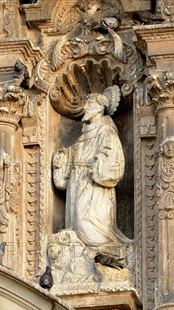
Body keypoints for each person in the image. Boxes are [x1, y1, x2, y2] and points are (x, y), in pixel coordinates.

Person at [52, 86, 131, 265]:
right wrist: (63, 159)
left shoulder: (106, 132)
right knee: (77, 224)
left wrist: (98, 167)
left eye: (88, 104)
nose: (85, 108)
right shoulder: (82, 138)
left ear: (98, 108)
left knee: (90, 224)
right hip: (77, 184)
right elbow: (71, 158)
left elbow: (115, 160)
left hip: (95, 188)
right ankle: (80, 259)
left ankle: (99, 255)